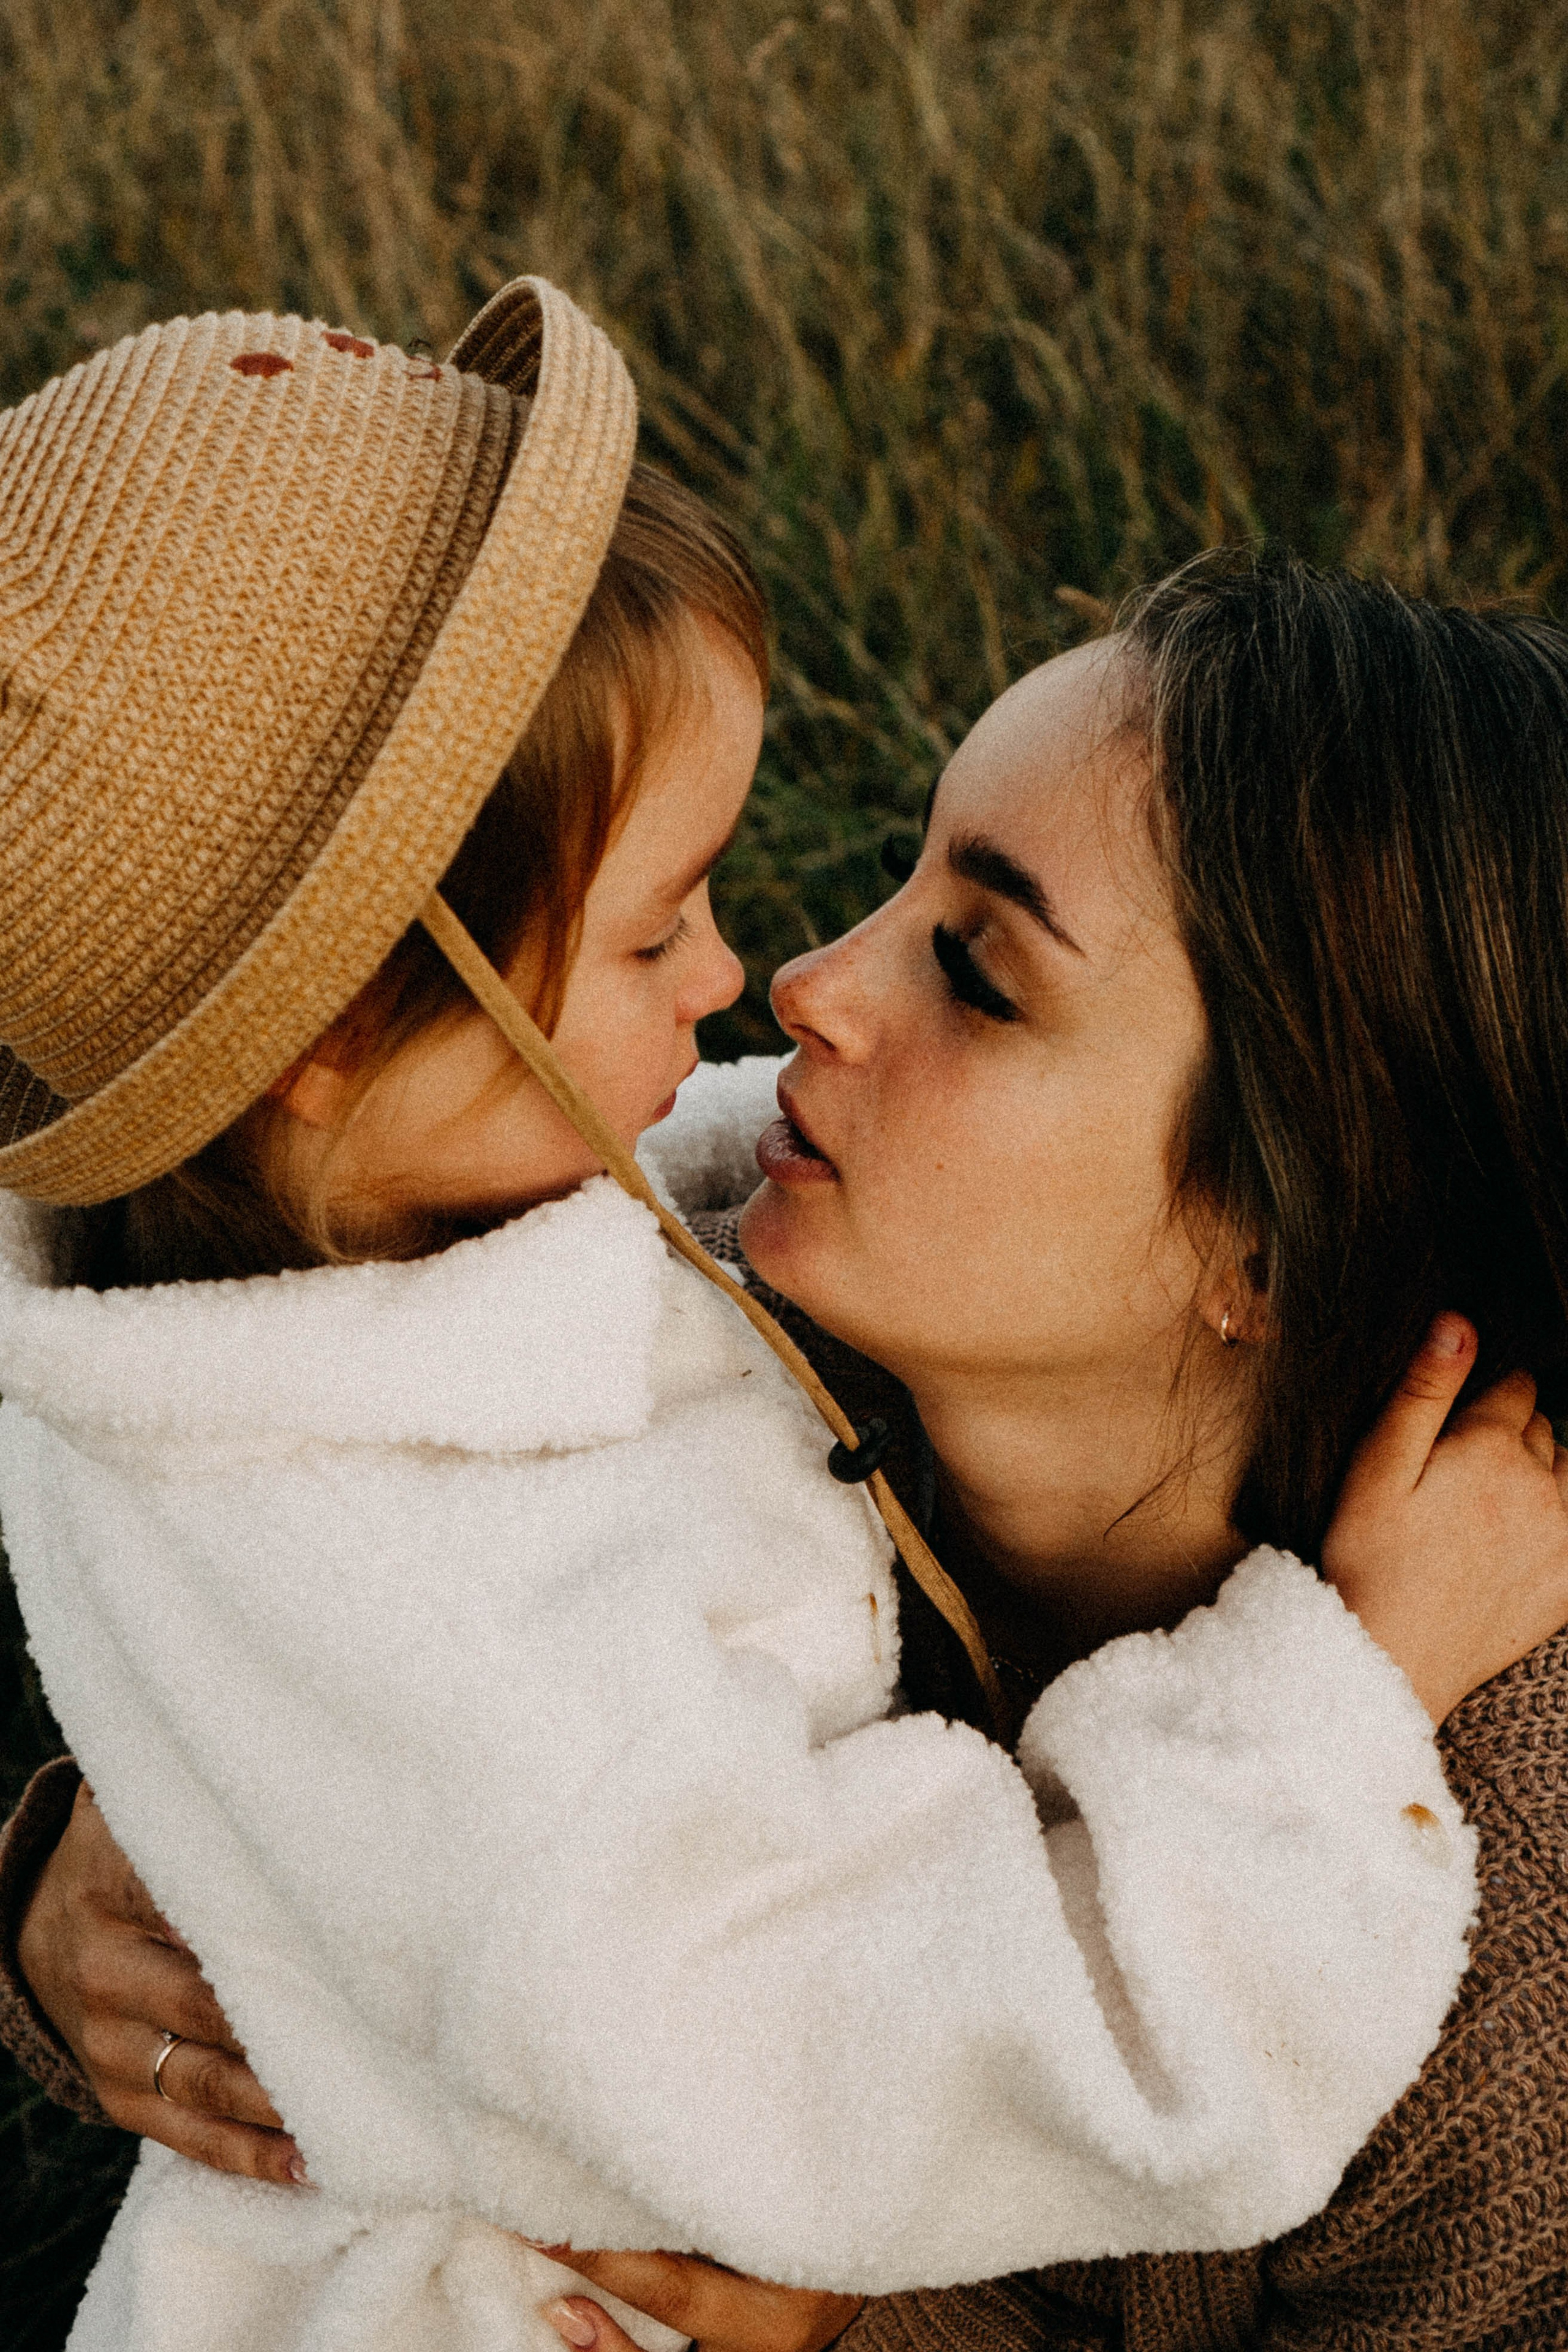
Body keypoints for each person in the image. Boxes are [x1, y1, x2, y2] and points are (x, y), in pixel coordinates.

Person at [1, 333, 1564, 2352]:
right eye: (896, 879)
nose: (804, 983)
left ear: (1265, 1230)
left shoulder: (1491, 1880)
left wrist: (871, 2342)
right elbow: (345, 1653)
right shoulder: (676, 1338)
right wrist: (83, 1917)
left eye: (979, 974)